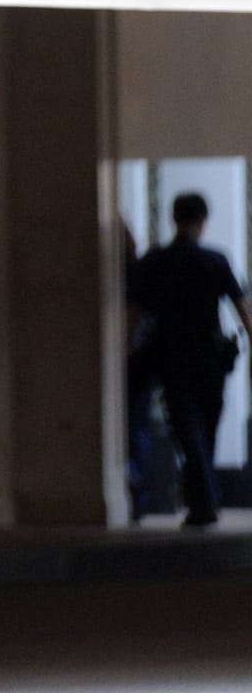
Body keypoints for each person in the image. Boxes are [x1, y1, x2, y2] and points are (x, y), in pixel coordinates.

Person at [129, 192, 252, 529]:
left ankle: (203, 500)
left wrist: (128, 351)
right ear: (202, 220)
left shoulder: (155, 263)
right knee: (207, 429)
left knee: (187, 429)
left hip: (171, 357)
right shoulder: (215, 260)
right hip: (210, 359)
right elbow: (242, 308)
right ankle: (204, 500)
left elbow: (135, 314)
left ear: (174, 218)